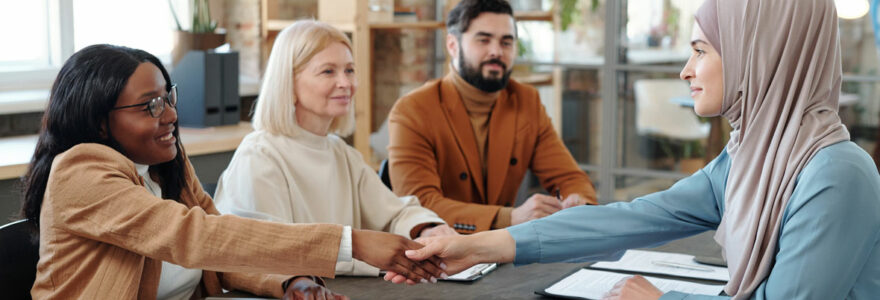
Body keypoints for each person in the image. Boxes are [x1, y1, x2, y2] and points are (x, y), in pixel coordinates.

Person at [392, 0, 880, 299]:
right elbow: (630, 218)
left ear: (759, 55)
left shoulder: (837, 173)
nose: (686, 70)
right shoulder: (748, 158)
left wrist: (661, 299)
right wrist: (473, 246)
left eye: (701, 50)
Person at [20, 44, 445, 299]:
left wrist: (290, 281)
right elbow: (197, 236)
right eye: (150, 105)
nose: (170, 114)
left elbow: (220, 246)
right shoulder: (80, 171)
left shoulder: (165, 166)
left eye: (168, 97)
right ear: (98, 120)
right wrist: (352, 243)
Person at [213, 20, 457, 278]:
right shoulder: (260, 155)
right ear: (289, 81)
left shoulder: (341, 153)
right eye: (328, 71)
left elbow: (394, 213)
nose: (345, 83)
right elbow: (273, 252)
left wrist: (426, 229)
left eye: (349, 70)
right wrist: (375, 257)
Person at [387, 0, 597, 234]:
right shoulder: (413, 110)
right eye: (483, 40)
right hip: (441, 252)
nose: (496, 51)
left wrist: (577, 203)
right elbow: (420, 204)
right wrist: (509, 217)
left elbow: (569, 178)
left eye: (506, 42)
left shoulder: (526, 101)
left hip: (505, 252)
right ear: (452, 45)